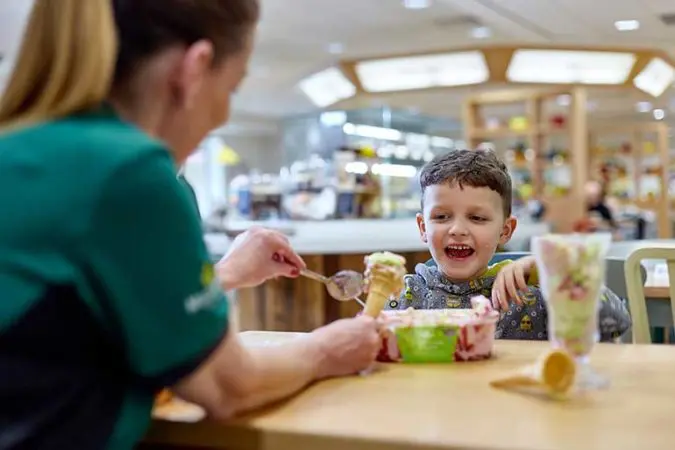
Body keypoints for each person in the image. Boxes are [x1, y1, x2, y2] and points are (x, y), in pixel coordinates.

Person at [0, 1, 380, 449]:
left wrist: (229, 272)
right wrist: (327, 349)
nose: (222, 114)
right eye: (232, 88)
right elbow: (226, 385)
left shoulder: (26, 151)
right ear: (194, 68)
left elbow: (80, 319)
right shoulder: (127, 169)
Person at [385, 149, 631, 342]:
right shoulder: (406, 296)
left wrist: (547, 269)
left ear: (505, 231)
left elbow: (615, 321)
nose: (457, 229)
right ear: (423, 228)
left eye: (477, 218)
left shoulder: (527, 295)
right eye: (441, 217)